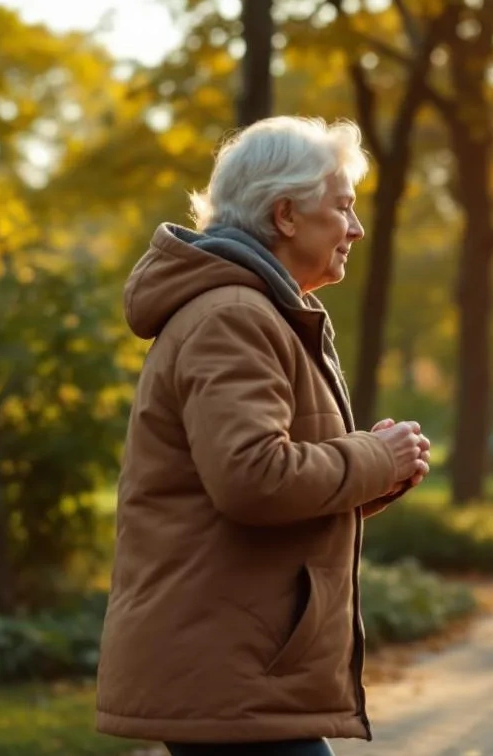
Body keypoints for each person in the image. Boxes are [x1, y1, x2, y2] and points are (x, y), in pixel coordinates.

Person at [95, 117, 432, 756]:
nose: (356, 229)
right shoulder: (233, 317)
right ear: (285, 215)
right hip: (228, 669)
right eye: (342, 208)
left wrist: (380, 473)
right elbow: (251, 479)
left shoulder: (258, 312)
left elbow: (264, 489)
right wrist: (368, 456)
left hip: (244, 667)